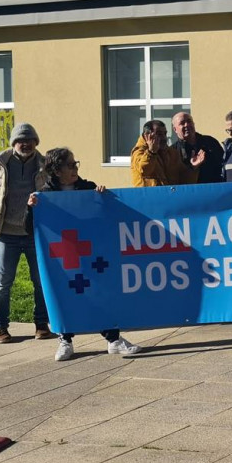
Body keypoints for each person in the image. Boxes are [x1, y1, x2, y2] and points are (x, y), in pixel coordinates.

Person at [26, 148, 141, 360]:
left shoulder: (88, 188)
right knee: (64, 294)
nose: (75, 168)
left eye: (75, 163)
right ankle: (65, 340)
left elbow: (105, 215)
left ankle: (113, 339)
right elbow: (29, 228)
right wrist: (31, 209)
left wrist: (102, 196)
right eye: (70, 165)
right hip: (63, 259)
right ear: (56, 170)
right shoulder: (45, 195)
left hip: (90, 257)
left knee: (99, 293)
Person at [0, 123, 56, 343]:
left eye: (30, 140)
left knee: (40, 280)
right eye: (20, 140)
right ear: (13, 143)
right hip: (7, 232)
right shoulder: (0, 163)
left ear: (36, 142)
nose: (25, 143)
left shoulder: (45, 165)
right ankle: (0, 326)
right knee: (3, 282)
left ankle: (41, 325)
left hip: (34, 232)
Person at [131, 120, 204, 187]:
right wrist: (151, 152)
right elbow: (144, 171)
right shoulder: (139, 151)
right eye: (159, 134)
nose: (164, 137)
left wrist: (192, 167)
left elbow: (183, 180)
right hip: (149, 198)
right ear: (146, 136)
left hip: (169, 198)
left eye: (165, 133)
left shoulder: (172, 153)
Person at [171, 112, 224, 183]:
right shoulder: (173, 151)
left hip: (214, 189)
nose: (187, 125)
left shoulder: (210, 142)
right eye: (182, 123)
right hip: (189, 191)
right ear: (175, 129)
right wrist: (192, 167)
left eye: (189, 121)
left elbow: (222, 164)